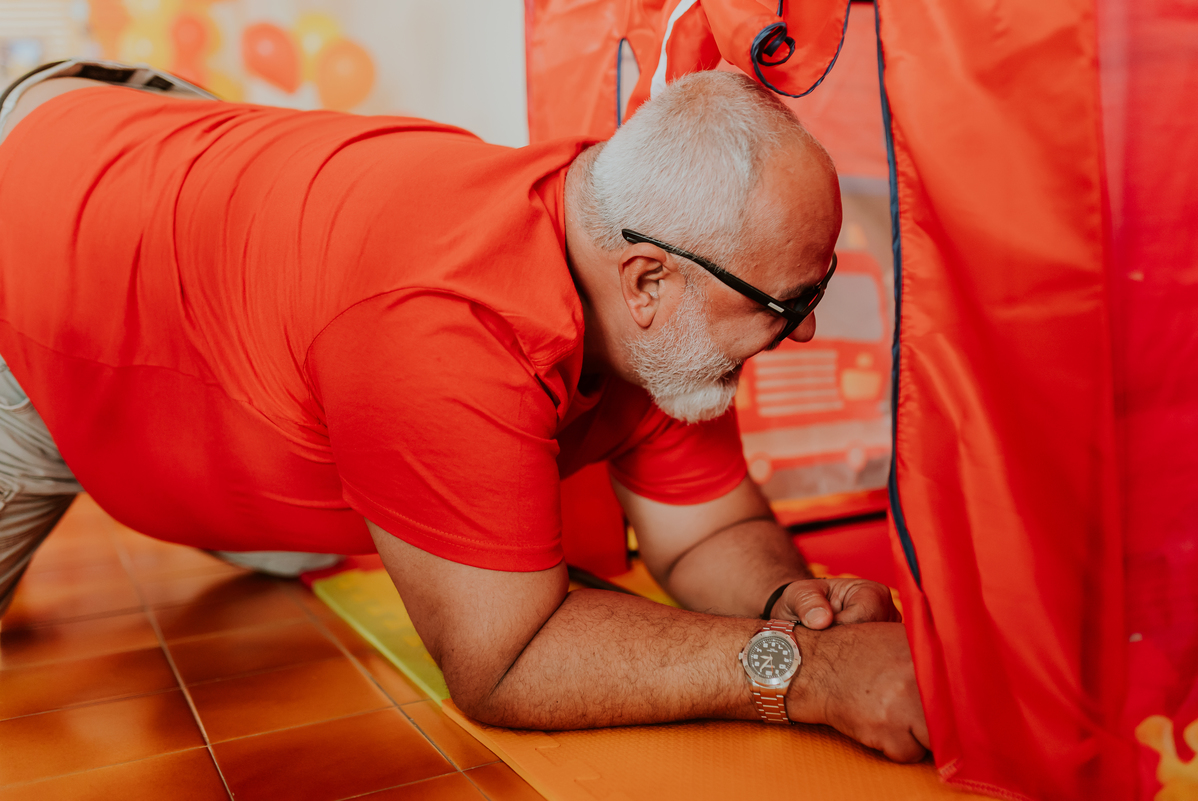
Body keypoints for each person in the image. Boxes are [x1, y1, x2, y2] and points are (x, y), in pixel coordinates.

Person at [0, 61, 929, 761]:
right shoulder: (439, 323)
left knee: (297, 519)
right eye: (784, 307)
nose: (800, 335)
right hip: (34, 239)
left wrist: (786, 601)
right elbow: (506, 660)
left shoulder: (645, 267)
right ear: (647, 279)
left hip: (160, 162)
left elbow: (705, 529)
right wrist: (807, 674)